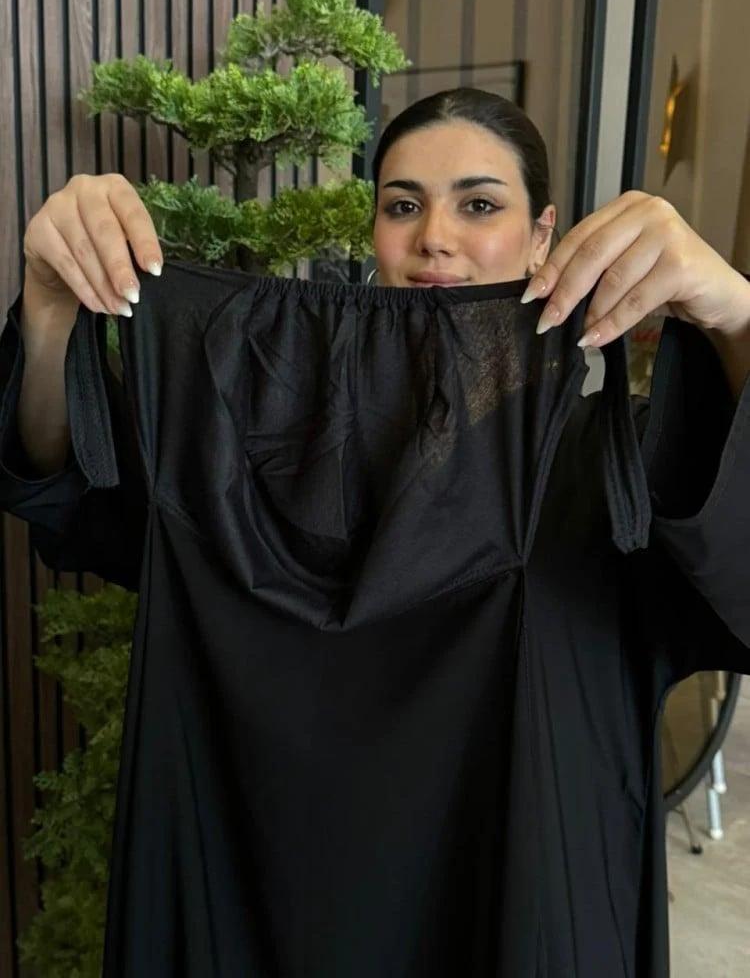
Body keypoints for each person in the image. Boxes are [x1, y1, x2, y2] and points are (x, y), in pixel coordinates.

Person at [2, 87, 750, 975]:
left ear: (542, 235)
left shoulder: (606, 473)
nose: (435, 236)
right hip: (267, 925)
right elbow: (67, 489)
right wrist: (49, 307)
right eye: (402, 206)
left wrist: (736, 314)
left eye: (480, 205)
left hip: (525, 922)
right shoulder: (258, 462)